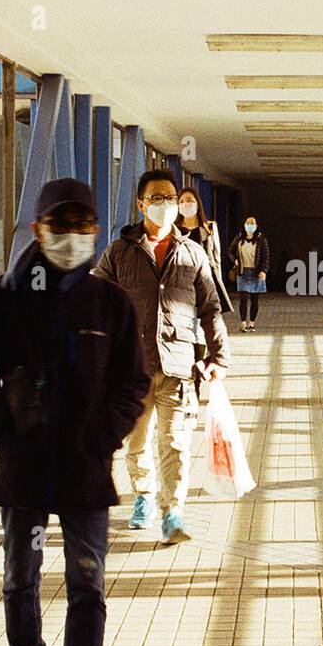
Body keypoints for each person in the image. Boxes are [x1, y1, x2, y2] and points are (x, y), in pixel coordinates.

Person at [0, 178, 151, 646]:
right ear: (38, 229)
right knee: (22, 575)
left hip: (85, 473)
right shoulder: (6, 297)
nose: (72, 235)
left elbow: (133, 382)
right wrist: (1, 422)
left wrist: (103, 435)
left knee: (87, 582)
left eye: (83, 225)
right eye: (60, 225)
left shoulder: (110, 302)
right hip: (26, 470)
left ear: (96, 230)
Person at [94, 168, 230, 544]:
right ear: (141, 204)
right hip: (130, 369)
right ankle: (143, 497)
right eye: (157, 199)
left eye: (171, 199)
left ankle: (173, 512)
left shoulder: (192, 253)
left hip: (179, 366)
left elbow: (211, 309)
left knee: (175, 443)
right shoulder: (120, 252)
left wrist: (219, 357)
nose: (166, 205)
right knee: (136, 443)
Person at [177, 186, 233, 395]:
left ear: (197, 203)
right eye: (182, 201)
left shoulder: (209, 227)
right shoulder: (174, 230)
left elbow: (215, 258)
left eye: (190, 200)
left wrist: (217, 289)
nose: (186, 204)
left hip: (205, 285)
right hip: (182, 288)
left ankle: (197, 380)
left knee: (203, 333)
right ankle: (191, 379)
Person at [228, 216, 269, 332]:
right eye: (248, 223)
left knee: (255, 299)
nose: (250, 225)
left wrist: (263, 271)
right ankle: (242, 323)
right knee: (243, 299)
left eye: (252, 223)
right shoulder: (239, 238)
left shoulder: (261, 239)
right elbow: (229, 250)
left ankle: (252, 323)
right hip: (243, 271)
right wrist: (234, 260)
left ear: (256, 226)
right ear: (244, 225)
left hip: (256, 272)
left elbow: (266, 257)